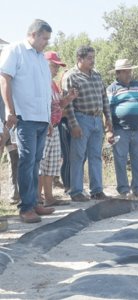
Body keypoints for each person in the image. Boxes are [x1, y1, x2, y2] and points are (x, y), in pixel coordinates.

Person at [0, 19, 55, 223]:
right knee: (27, 161)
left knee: (35, 163)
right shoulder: (15, 51)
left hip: (41, 119)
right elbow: (4, 78)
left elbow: (44, 90)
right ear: (32, 34)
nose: (46, 43)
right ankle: (25, 208)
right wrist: (10, 110)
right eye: (44, 38)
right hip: (24, 117)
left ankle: (33, 203)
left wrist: (48, 119)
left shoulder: (41, 58)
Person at [62, 45, 112, 202]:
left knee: (96, 156)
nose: (93, 61)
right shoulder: (71, 76)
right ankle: (76, 191)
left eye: (93, 57)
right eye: (89, 58)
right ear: (80, 59)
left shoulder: (97, 75)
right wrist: (73, 124)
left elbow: (104, 97)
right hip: (81, 119)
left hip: (97, 120)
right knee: (77, 156)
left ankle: (97, 190)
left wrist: (108, 118)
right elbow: (68, 104)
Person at [38, 51, 78, 206]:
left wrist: (69, 98)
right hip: (45, 127)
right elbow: (40, 105)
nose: (56, 70)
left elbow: (58, 106)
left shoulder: (53, 84)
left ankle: (49, 198)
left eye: (57, 66)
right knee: (41, 165)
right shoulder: (41, 82)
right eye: (54, 66)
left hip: (54, 126)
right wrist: (46, 122)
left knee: (51, 164)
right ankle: (37, 199)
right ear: (45, 64)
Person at [106, 59, 138, 197]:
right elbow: (106, 110)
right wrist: (108, 130)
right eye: (125, 71)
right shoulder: (112, 88)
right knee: (120, 160)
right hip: (120, 129)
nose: (129, 74)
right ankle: (124, 189)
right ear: (118, 73)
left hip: (137, 130)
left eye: (130, 71)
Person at [0, 96, 19, 204]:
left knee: (15, 159)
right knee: (13, 160)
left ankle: (15, 193)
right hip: (3, 127)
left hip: (12, 128)